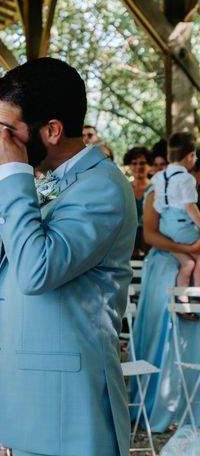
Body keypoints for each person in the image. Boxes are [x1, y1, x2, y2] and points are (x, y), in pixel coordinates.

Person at [0, 57, 136, 456]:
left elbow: (39, 270)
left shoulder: (101, 187)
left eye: (9, 129)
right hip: (27, 403)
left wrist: (11, 177)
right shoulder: (46, 180)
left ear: (52, 130)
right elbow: (25, 272)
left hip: (67, 409)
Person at [130, 190, 200, 432]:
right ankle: (158, 407)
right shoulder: (159, 192)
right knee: (165, 338)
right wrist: (188, 248)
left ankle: (190, 409)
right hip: (166, 268)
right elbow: (149, 234)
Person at [151, 132, 200, 294]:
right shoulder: (187, 179)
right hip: (181, 225)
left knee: (188, 263)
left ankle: (182, 298)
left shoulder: (159, 177)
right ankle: (197, 295)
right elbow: (189, 207)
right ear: (190, 156)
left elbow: (158, 206)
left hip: (166, 226)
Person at [124, 146, 151, 258]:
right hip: (128, 244)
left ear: (149, 165)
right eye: (134, 163)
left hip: (151, 244)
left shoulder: (156, 189)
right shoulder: (124, 188)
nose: (138, 167)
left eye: (142, 163)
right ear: (129, 166)